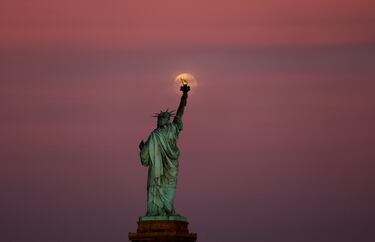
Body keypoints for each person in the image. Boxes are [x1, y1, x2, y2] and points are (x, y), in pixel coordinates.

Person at [138, 84, 190, 216]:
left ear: (166, 120)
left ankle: (166, 210)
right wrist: (184, 96)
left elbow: (144, 157)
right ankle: (160, 211)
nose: (159, 120)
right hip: (169, 168)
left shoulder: (161, 133)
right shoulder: (158, 134)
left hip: (166, 168)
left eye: (161, 118)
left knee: (168, 189)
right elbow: (179, 114)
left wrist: (184, 97)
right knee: (168, 188)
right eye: (159, 118)